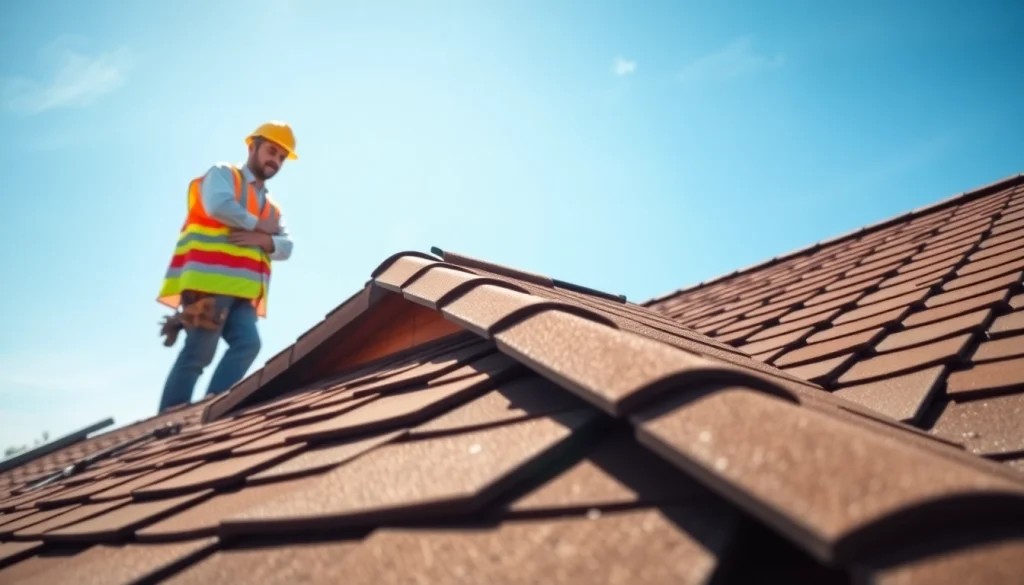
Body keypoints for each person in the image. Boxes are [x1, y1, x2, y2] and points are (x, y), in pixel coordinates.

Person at [155, 121, 297, 412]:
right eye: (272, 151)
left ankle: (213, 407)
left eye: (282, 157)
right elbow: (217, 206)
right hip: (209, 283)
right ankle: (168, 417)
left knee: (248, 344)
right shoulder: (223, 174)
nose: (276, 161)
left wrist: (262, 239)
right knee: (199, 351)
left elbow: (287, 247)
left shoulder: (272, 206)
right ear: (252, 147)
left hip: (243, 292)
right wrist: (260, 227)